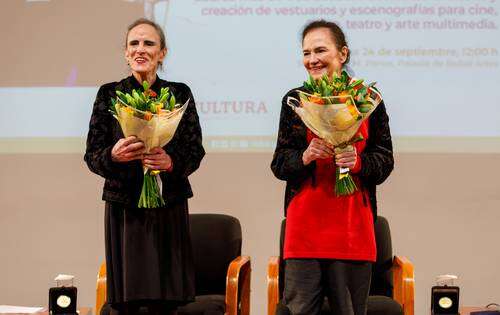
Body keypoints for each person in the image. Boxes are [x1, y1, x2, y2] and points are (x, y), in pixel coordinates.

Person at [271, 20, 394, 315]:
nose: (312, 59)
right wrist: (305, 156)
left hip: (352, 227)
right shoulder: (295, 99)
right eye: (306, 52)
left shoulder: (367, 99)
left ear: (343, 53)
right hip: (304, 230)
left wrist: (359, 162)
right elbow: (279, 164)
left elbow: (385, 161)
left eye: (320, 50)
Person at [84, 18, 205, 315]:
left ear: (162, 53)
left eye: (149, 43)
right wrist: (113, 155)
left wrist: (171, 162)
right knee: (128, 300)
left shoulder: (179, 93)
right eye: (134, 44)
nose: (141, 49)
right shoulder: (109, 94)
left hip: (168, 206)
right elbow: (92, 155)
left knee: (167, 300)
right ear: (125, 53)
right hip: (125, 209)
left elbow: (195, 151)